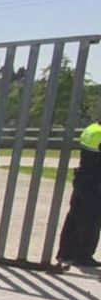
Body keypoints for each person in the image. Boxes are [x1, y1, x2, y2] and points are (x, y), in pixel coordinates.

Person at [56, 111, 101, 268]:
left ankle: (65, 253)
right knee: (92, 219)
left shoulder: (91, 129)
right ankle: (83, 255)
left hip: (82, 178)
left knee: (74, 216)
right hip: (96, 181)